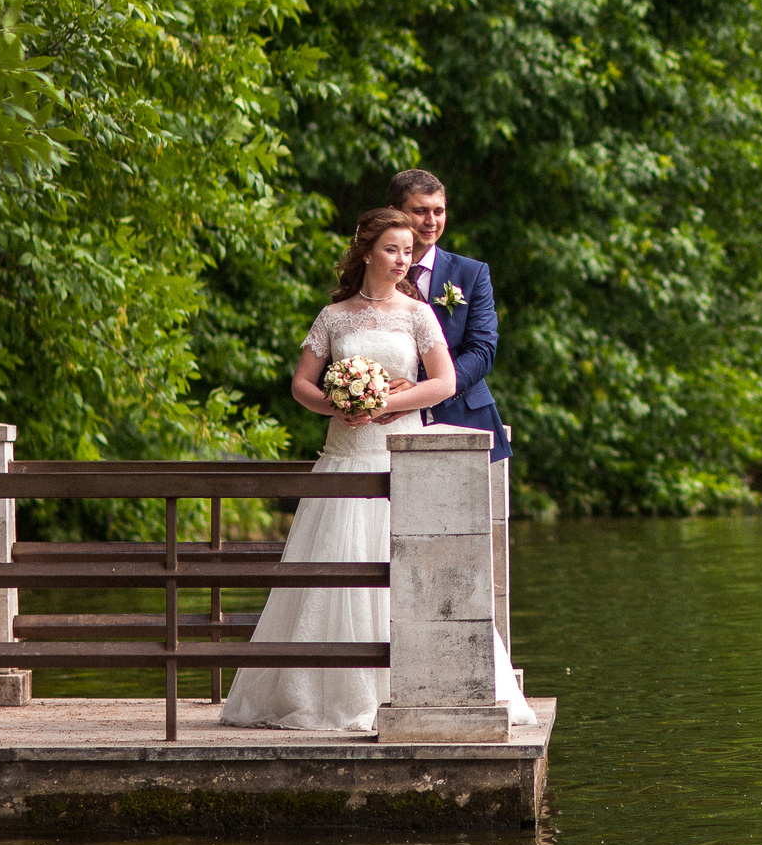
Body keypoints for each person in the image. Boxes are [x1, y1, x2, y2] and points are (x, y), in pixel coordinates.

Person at [222, 205, 533, 731]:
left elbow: (445, 383)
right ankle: (324, 694)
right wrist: (334, 404)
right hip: (343, 454)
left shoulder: (417, 315)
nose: (402, 260)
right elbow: (301, 384)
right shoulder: (333, 316)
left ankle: (415, 685)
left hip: (399, 452)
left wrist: (389, 405)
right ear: (366, 251)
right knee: (330, 568)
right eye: (392, 249)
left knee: (401, 562)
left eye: (408, 252)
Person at [389, 168, 513, 647]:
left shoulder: (469, 273)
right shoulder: (372, 272)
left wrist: (427, 389)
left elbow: (483, 349)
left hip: (461, 414)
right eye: (421, 211)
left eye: (438, 210)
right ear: (398, 212)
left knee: (470, 565)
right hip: (386, 424)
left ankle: (481, 656)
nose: (431, 220)